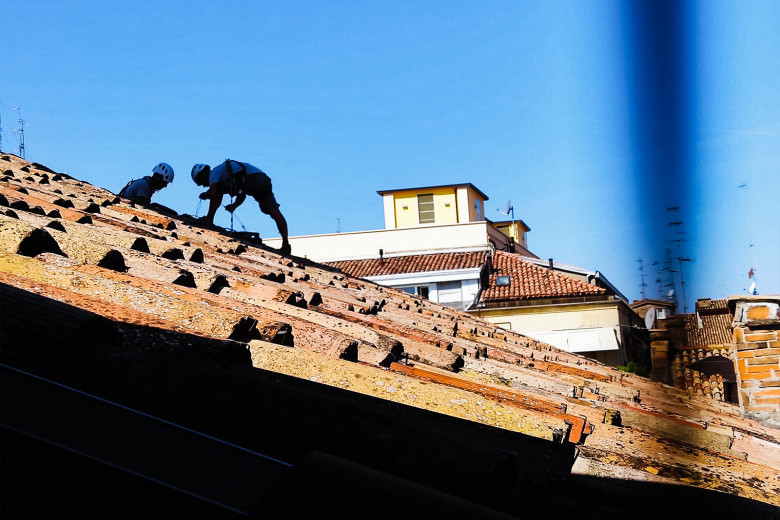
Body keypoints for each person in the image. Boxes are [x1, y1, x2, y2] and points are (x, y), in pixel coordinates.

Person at [191, 159, 291, 255]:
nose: (204, 185)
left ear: (203, 174)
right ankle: (286, 244)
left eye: (201, 182)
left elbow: (213, 192)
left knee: (218, 190)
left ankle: (209, 218)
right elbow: (242, 194)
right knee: (273, 211)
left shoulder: (214, 173)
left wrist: (205, 195)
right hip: (263, 179)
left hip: (253, 178)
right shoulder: (228, 174)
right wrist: (234, 206)